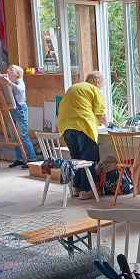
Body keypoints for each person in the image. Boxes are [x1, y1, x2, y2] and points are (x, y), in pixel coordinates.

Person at [57, 71, 107, 200]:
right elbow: (100, 113)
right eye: (101, 84)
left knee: (76, 159)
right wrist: (109, 125)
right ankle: (87, 190)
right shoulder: (94, 90)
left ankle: (77, 188)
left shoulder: (74, 87)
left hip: (65, 126)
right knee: (88, 159)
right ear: (97, 82)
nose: (101, 86)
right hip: (83, 125)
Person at [0, 65, 37, 168]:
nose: (8, 70)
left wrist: (9, 82)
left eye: (11, 69)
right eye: (8, 69)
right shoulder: (10, 81)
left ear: (17, 73)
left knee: (23, 135)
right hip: (13, 108)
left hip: (20, 109)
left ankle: (32, 159)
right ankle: (19, 158)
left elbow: (19, 89)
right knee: (15, 136)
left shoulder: (20, 81)